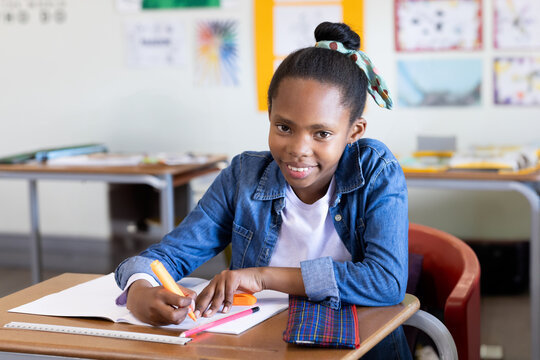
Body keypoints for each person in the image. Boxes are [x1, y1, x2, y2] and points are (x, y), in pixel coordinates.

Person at [115, 21, 410, 358]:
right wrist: (138, 290)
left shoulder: (375, 169)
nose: (298, 148)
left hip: (360, 347)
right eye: (284, 127)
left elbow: (385, 282)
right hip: (261, 346)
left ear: (354, 131)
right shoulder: (244, 176)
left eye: (322, 134)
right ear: (269, 115)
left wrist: (263, 278)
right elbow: (163, 257)